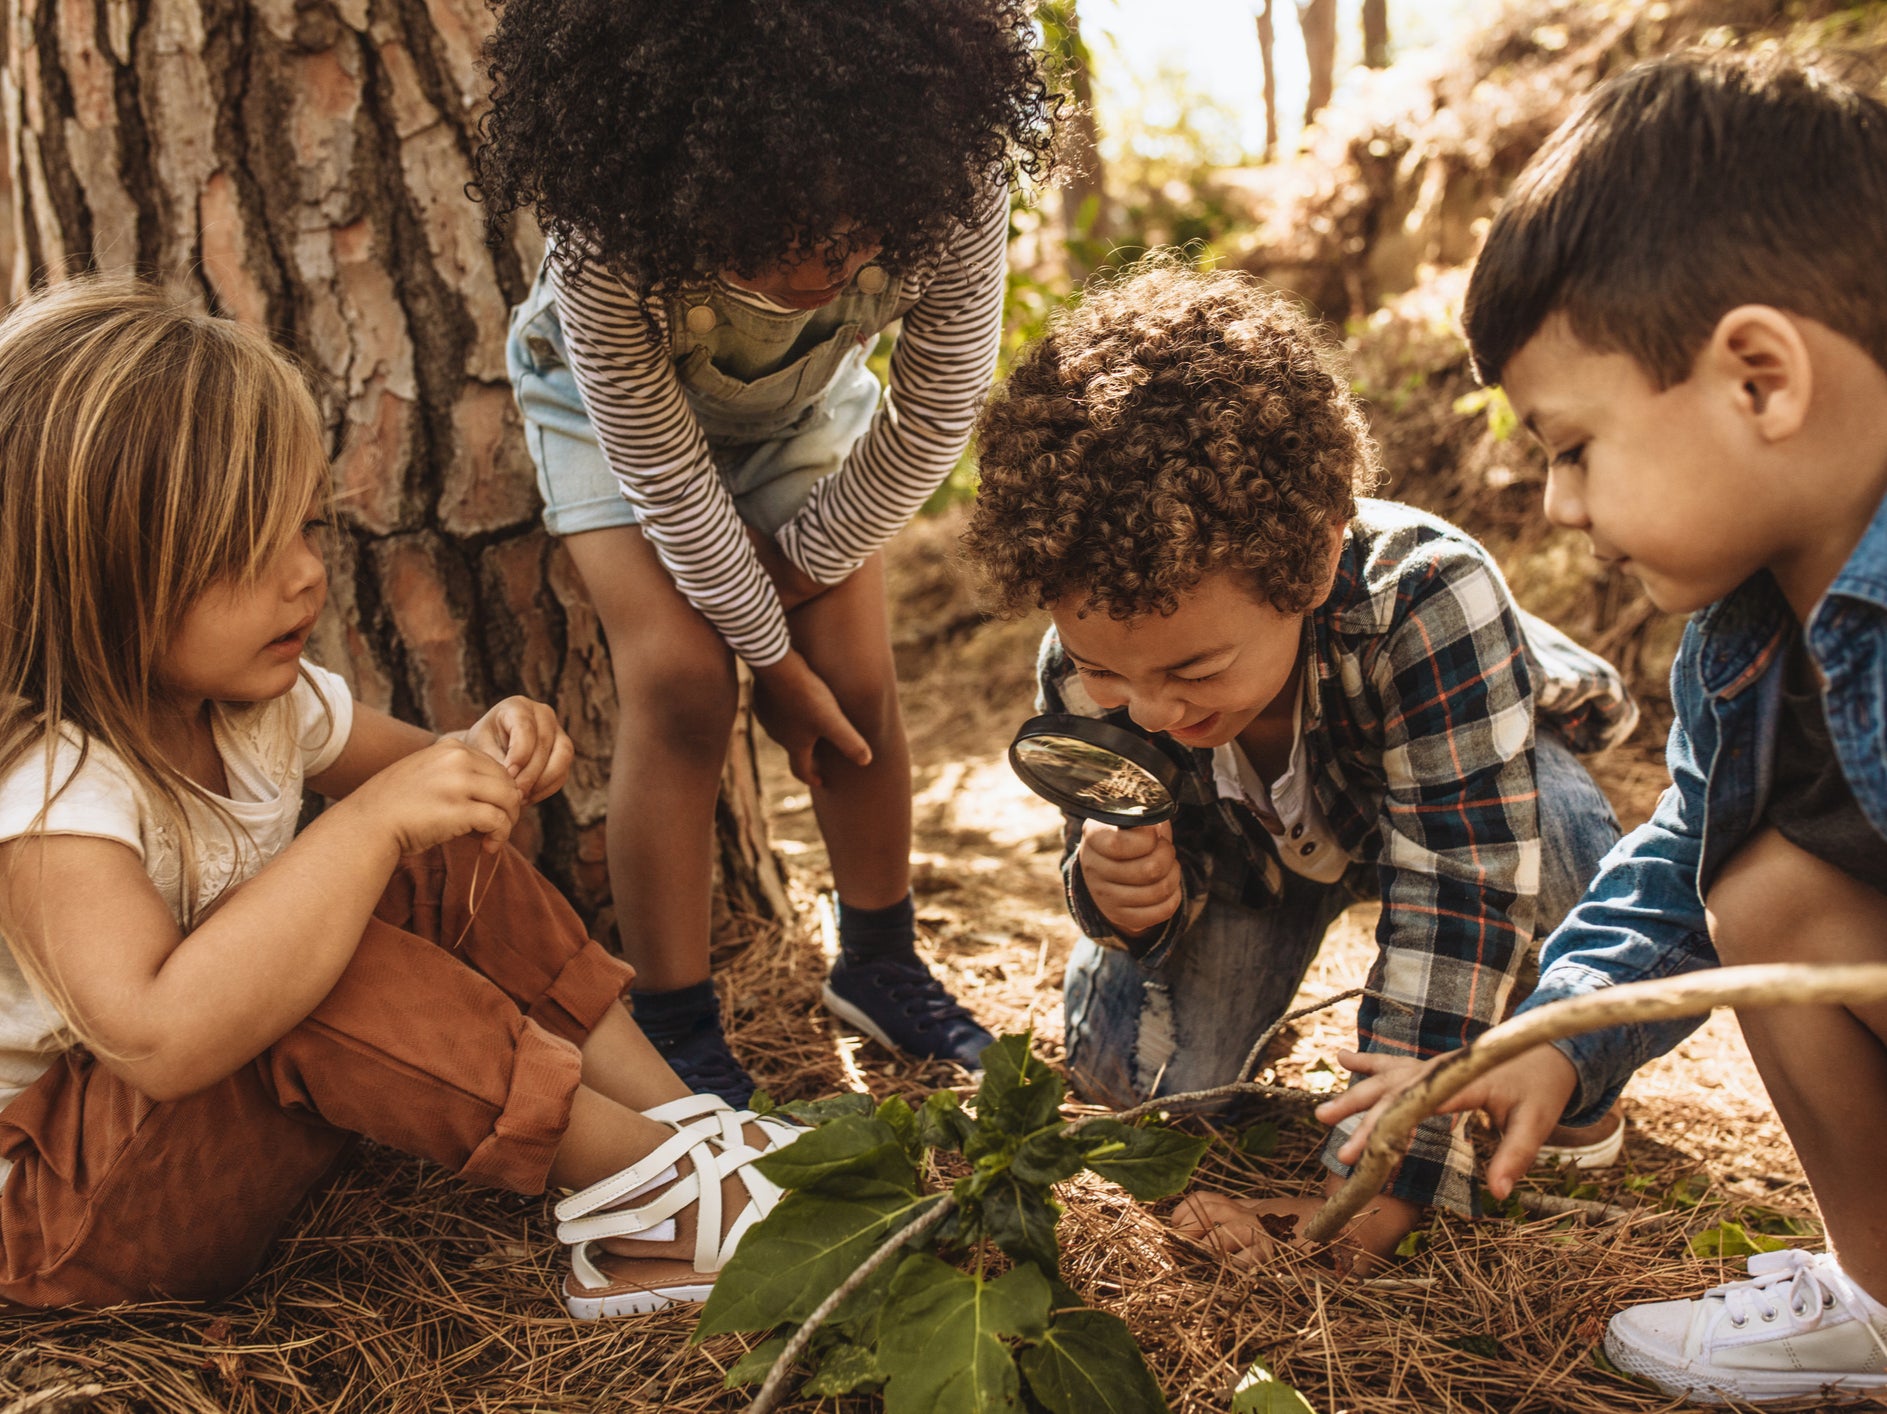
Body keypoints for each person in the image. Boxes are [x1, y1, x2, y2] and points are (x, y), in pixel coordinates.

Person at [0, 278, 800, 1318]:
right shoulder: (54, 795)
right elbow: (161, 1038)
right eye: (249, 553)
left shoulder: (254, 705)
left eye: (306, 530)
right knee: (318, 958)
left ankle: (686, 1131)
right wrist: (372, 824)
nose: (304, 577)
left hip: (182, 1148)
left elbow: (432, 779)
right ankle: (659, 1199)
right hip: (62, 1223)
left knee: (427, 852)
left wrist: (490, 749)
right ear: (101, 578)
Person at [1318, 51, 1887, 1402]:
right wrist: (1557, 1037)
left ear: (1757, 378)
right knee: (1761, 887)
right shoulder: (1743, 639)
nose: (1558, 504)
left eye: (1572, 446)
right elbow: (1682, 855)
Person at [959, 261, 1637, 1267]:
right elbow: (1103, 853)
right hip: (1251, 861)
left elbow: (1458, 884)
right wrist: (1122, 899)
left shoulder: (1428, 598)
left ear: (1315, 558)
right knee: (1132, 1080)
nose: (1150, 709)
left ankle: (1566, 1072)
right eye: (1109, 670)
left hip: (1448, 790)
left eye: (1194, 667)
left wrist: (1381, 1176)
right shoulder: (1089, 664)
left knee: (1573, 853)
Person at [472, 0, 1061, 1102]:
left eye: (849, 236)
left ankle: (883, 964)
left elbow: (933, 417)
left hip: (800, 415)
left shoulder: (955, 178)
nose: (817, 268)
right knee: (686, 681)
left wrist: (795, 577)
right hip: (609, 420)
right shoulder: (610, 224)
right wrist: (766, 662)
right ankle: (677, 1022)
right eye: (774, 232)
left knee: (857, 678)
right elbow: (663, 474)